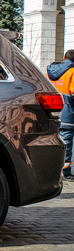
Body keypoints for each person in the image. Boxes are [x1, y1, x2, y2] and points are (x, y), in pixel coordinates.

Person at [47, 50, 74, 180]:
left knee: (51, 140)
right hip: (67, 113)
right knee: (66, 141)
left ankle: (50, 168)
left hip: (50, 111)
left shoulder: (50, 71)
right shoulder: (72, 72)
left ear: (64, 58)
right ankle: (65, 171)